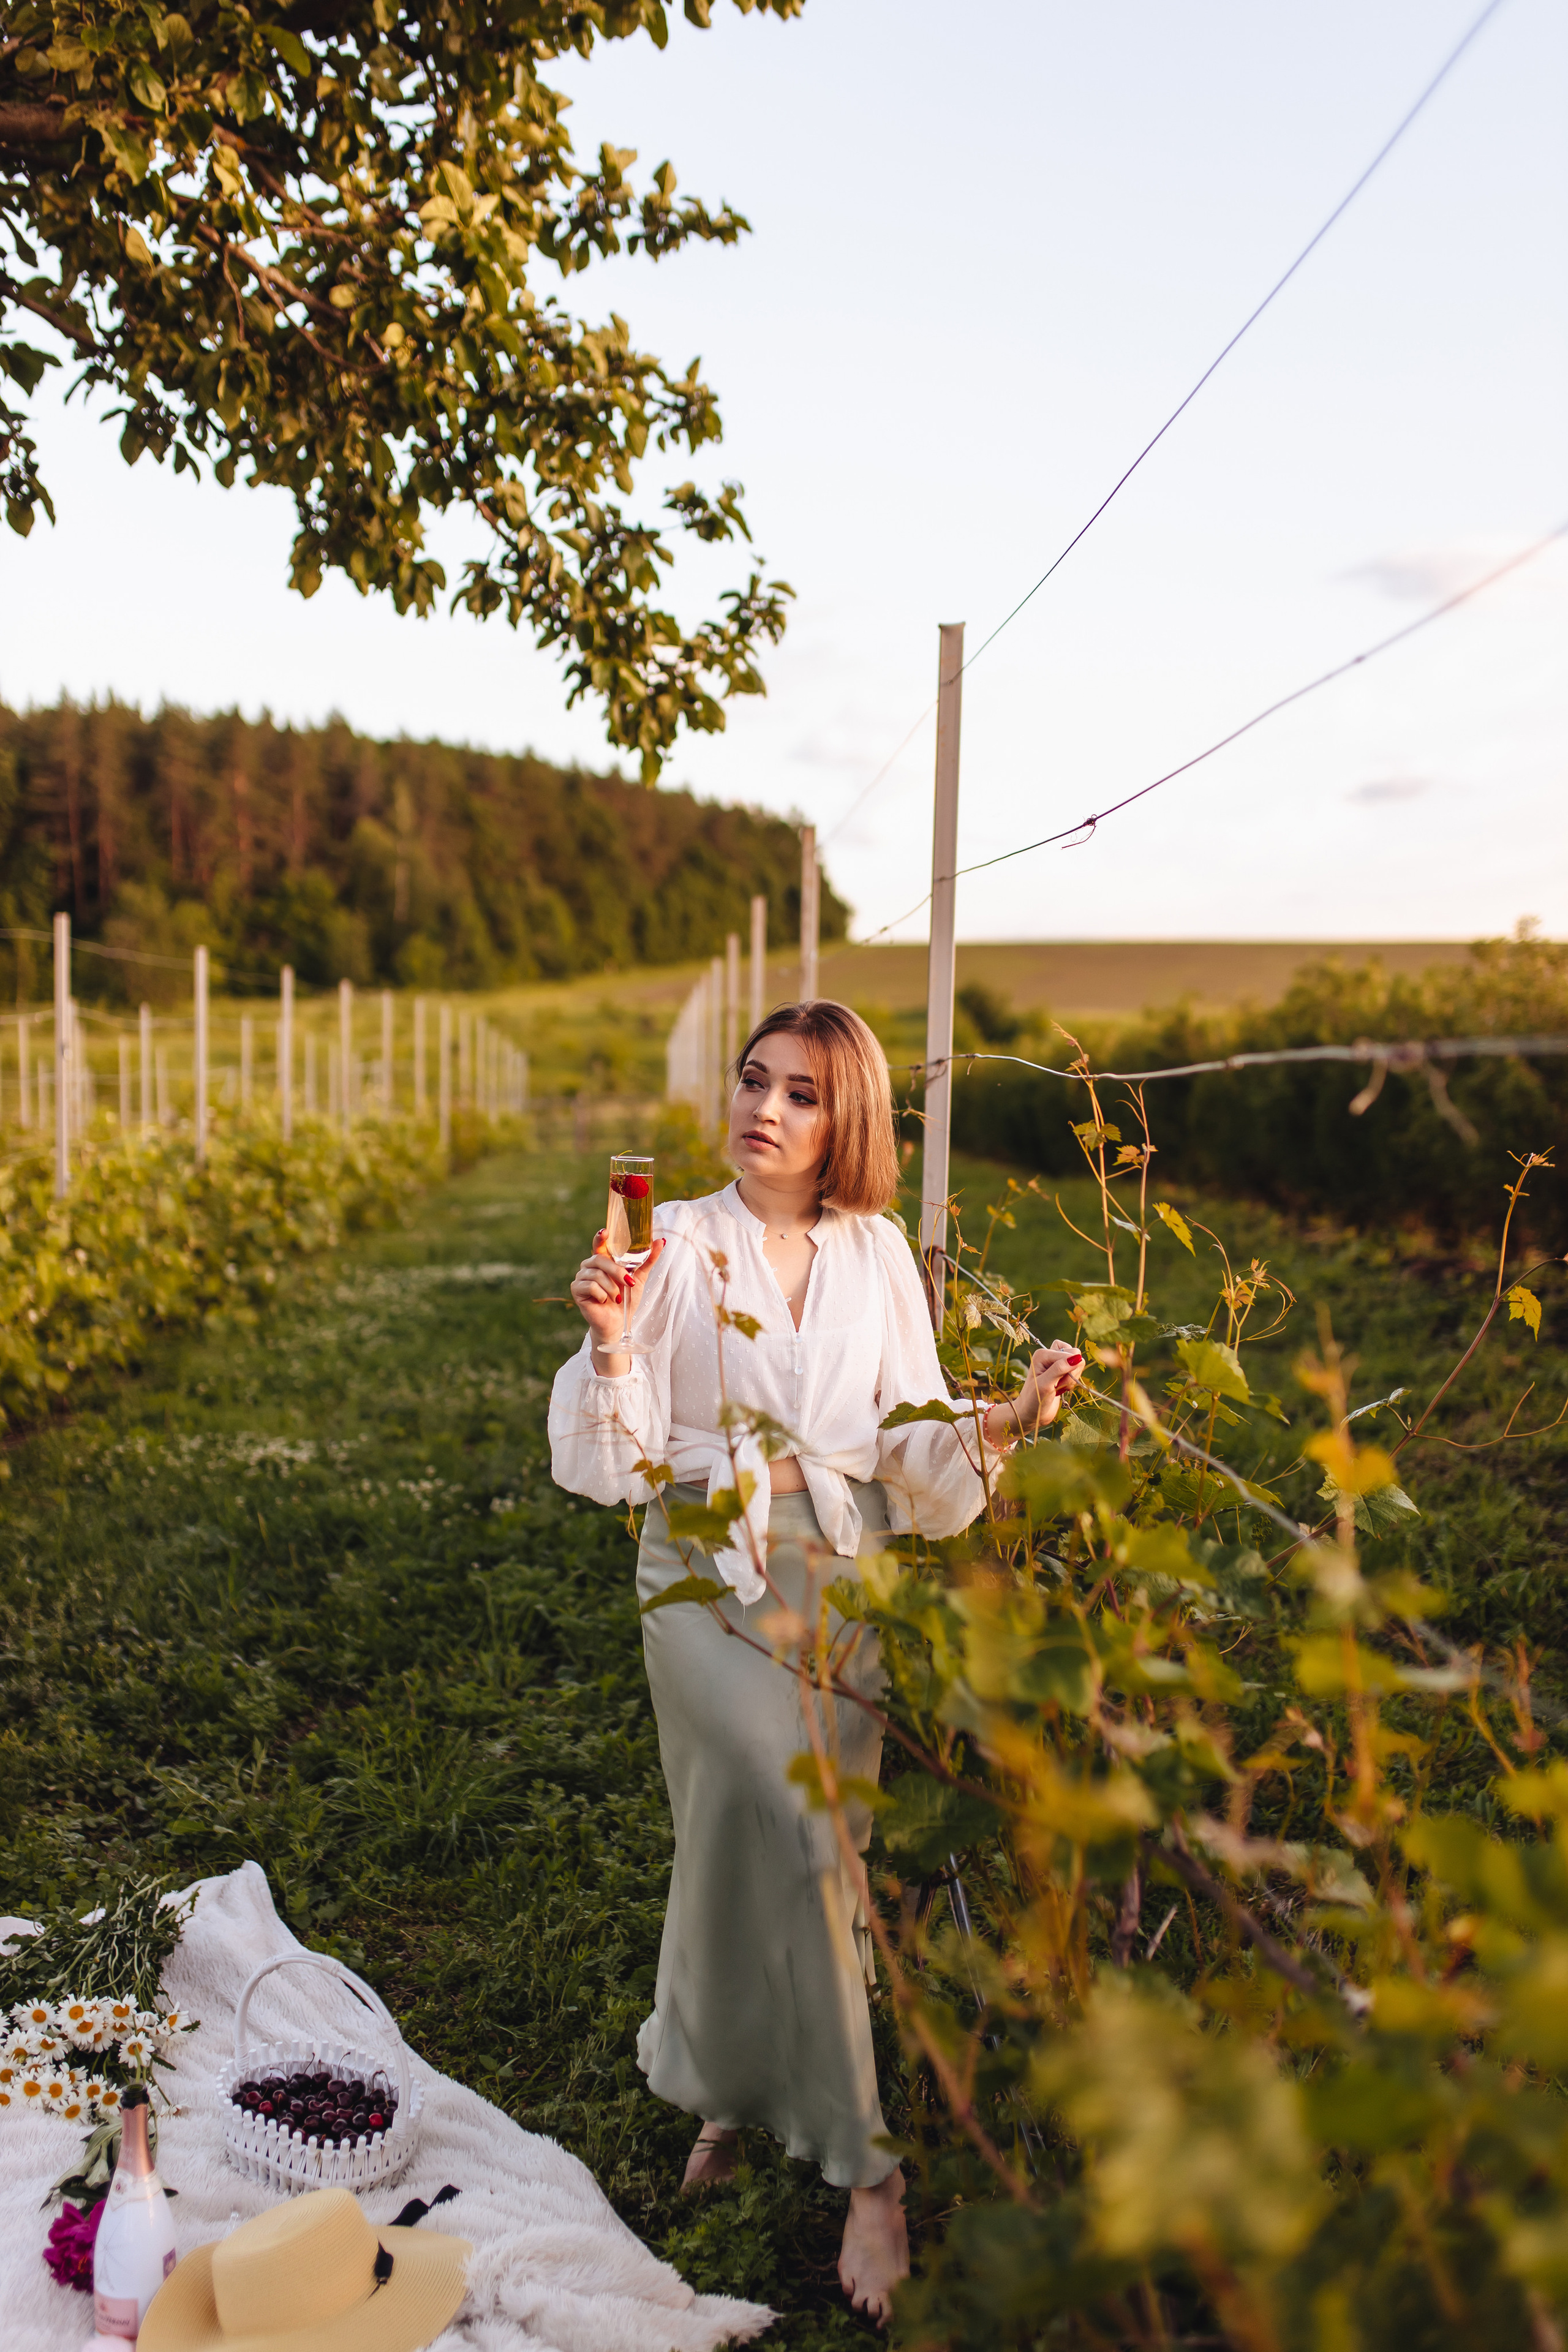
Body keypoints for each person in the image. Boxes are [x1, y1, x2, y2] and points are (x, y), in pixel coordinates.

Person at [548, 1000, 1084, 2325]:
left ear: (848, 1121)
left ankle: (727, 2095)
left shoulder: (876, 1251)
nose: (765, 1110)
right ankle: (871, 2173)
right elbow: (619, 1462)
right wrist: (610, 1337)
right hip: (701, 1570)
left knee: (799, 1848)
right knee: (766, 1809)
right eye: (754, 1081)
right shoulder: (673, 1241)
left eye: (801, 1094)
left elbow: (906, 1439)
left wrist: (1007, 1420)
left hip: (839, 1568)